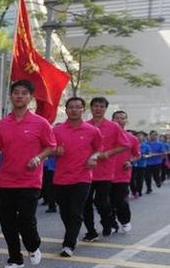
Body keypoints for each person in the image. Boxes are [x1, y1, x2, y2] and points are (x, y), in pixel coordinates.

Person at [0, 80, 56, 268]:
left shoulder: (40, 123)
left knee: (26, 220)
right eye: (16, 92)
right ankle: (15, 258)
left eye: (24, 93)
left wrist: (38, 157)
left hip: (30, 180)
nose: (19, 96)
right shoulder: (2, 123)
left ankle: (33, 245)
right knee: (7, 222)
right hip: (6, 180)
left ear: (30, 98)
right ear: (11, 96)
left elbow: (51, 147)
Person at [52, 97, 103, 258]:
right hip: (60, 177)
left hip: (82, 177)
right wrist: (55, 151)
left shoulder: (92, 130)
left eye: (77, 107)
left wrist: (94, 157)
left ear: (83, 110)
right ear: (66, 110)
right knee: (65, 211)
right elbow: (48, 148)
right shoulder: (56, 130)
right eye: (71, 107)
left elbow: (99, 149)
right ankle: (72, 232)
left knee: (75, 211)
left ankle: (68, 244)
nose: (74, 110)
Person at [81, 97, 131, 241]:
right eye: (95, 106)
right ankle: (91, 231)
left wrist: (107, 154)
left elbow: (125, 145)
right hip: (87, 171)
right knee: (86, 202)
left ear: (105, 109)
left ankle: (108, 222)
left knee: (101, 201)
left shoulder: (113, 127)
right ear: (91, 108)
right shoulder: (85, 125)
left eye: (101, 106)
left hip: (106, 172)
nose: (98, 109)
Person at [109, 111, 139, 233]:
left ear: (126, 121)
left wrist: (130, 162)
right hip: (105, 174)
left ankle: (125, 221)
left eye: (122, 118)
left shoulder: (132, 138)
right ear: (112, 120)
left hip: (122, 175)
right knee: (107, 202)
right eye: (117, 118)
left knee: (120, 200)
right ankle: (111, 224)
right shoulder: (104, 136)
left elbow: (137, 155)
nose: (120, 120)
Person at [131, 131, 148, 198]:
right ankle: (134, 191)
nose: (139, 137)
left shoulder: (146, 146)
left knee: (140, 179)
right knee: (132, 179)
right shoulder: (132, 144)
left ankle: (139, 191)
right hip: (134, 164)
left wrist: (146, 156)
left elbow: (149, 154)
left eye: (141, 136)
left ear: (143, 137)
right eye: (138, 135)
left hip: (142, 164)